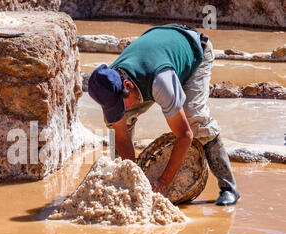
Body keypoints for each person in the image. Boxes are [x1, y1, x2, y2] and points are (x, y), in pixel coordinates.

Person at [88, 25, 239, 206]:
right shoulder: (108, 82)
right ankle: (120, 178)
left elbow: (185, 135)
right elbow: (120, 136)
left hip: (194, 50)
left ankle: (229, 187)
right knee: (116, 121)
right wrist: (135, 181)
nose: (121, 109)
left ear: (127, 85)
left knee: (194, 119)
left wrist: (163, 183)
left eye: (121, 104)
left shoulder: (161, 82)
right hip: (159, 48)